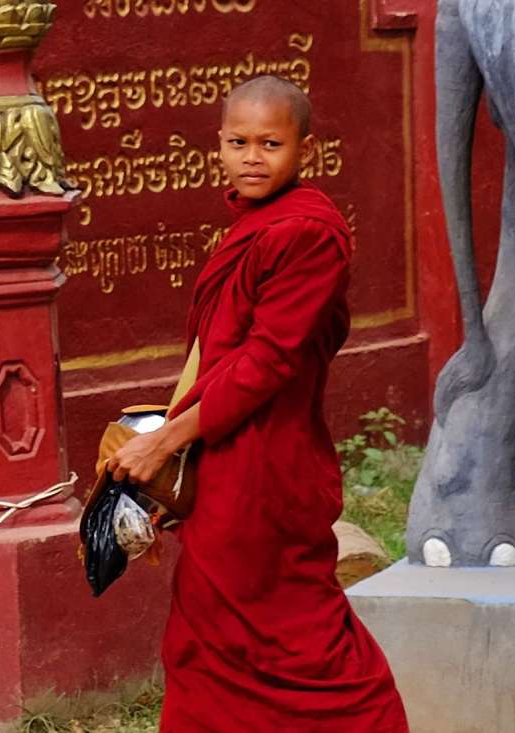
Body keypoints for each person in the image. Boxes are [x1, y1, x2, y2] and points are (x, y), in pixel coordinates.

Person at [106, 76, 410, 731]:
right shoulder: (253, 226)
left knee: (302, 641)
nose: (251, 156)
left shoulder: (307, 232)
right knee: (208, 639)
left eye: (270, 143)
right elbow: (211, 363)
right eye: (238, 142)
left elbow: (265, 362)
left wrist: (167, 440)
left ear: (305, 147)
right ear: (216, 145)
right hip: (225, 457)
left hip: (270, 466)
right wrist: (173, 473)